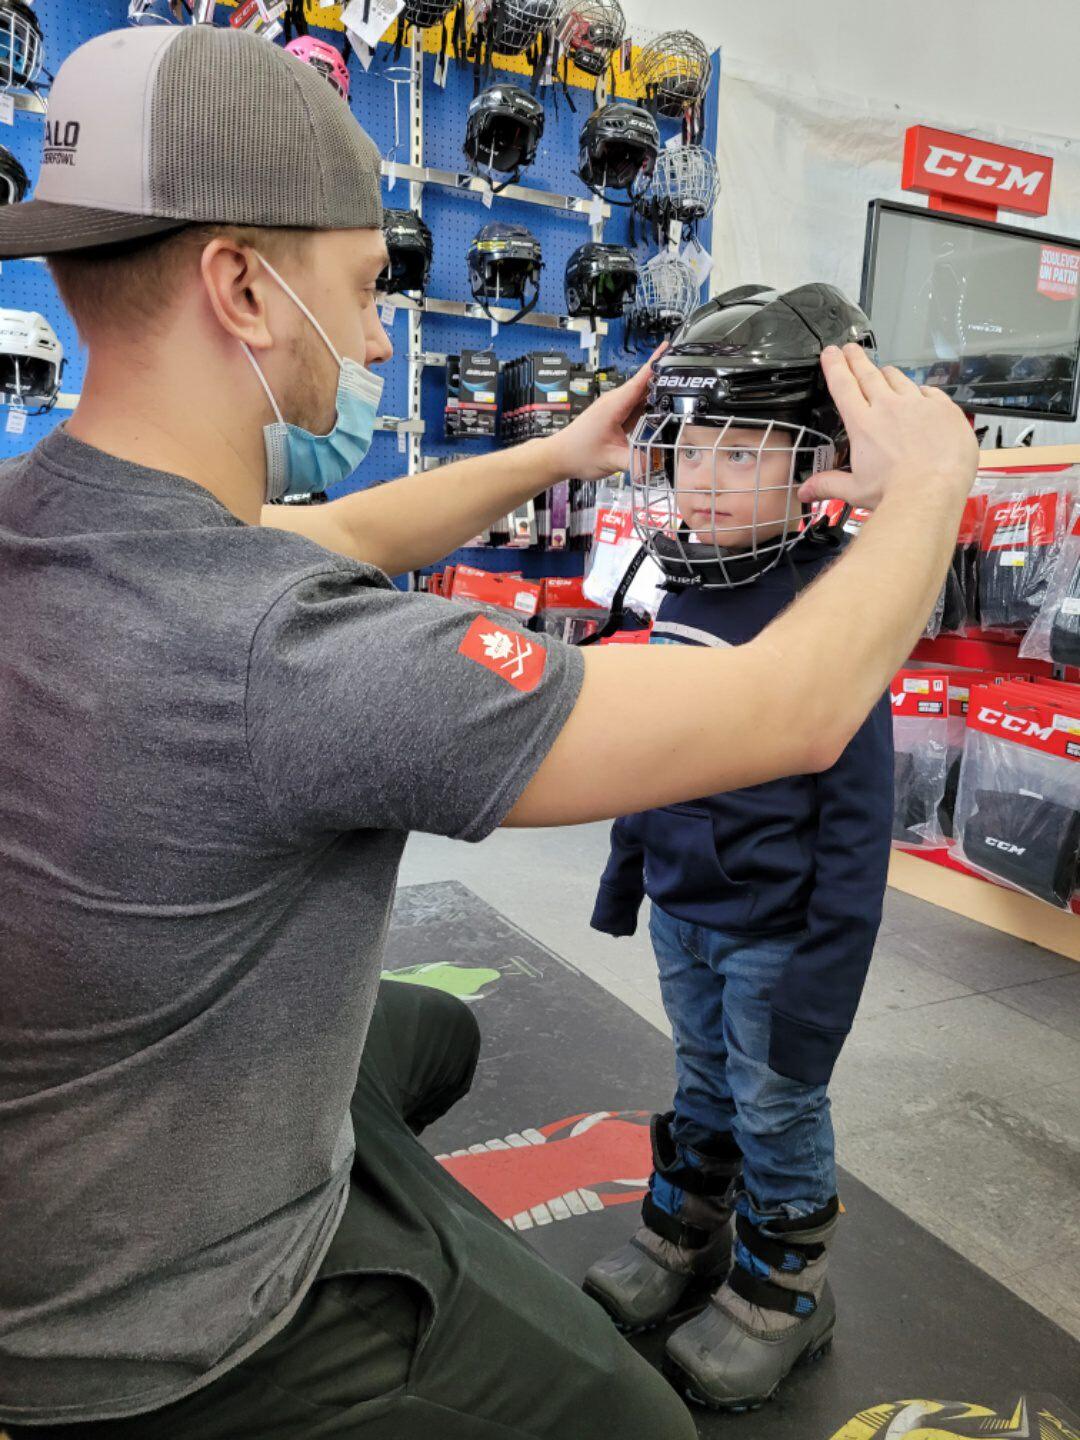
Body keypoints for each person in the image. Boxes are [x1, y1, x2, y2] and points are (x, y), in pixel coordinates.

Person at [0, 24, 977, 1440]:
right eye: (362, 286)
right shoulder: (294, 653)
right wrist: (937, 480)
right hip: (151, 1324)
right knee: (638, 1427)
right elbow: (794, 707)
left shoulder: (55, 524)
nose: (386, 330)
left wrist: (557, 450)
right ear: (242, 288)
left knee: (433, 1036)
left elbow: (324, 528)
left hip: (55, 1173)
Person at [583, 286, 893, 1412]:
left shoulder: (830, 613)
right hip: (685, 917)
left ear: (820, 462)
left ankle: (785, 1294)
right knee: (704, 1079)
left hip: (779, 939)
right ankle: (688, 1240)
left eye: (744, 454)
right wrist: (629, 876)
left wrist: (826, 986)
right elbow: (655, 756)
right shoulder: (677, 588)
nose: (703, 480)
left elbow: (860, 827)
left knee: (777, 1105)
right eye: (691, 451)